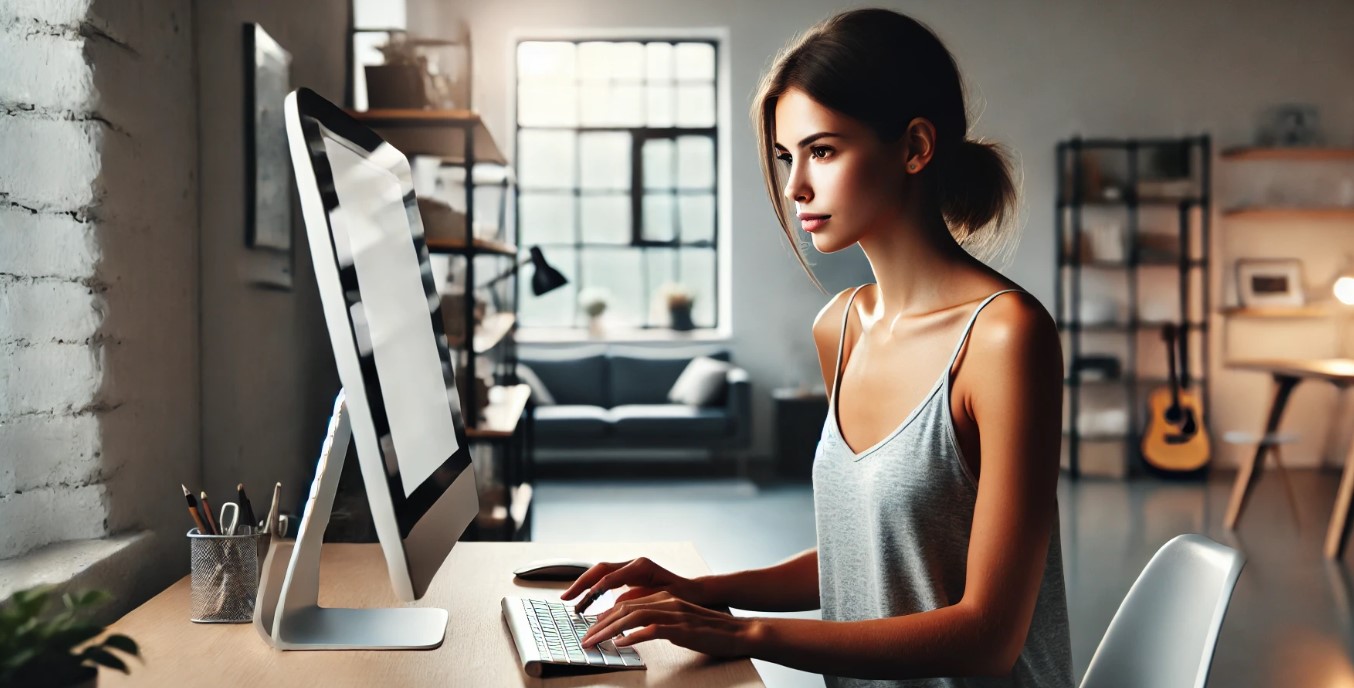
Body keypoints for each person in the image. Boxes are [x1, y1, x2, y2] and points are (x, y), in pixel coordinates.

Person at [562, 8, 1072, 686]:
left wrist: (745, 631)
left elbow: (987, 638)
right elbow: (861, 557)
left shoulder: (1006, 337)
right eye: (785, 156)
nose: (795, 186)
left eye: (823, 151)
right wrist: (703, 589)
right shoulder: (841, 326)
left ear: (915, 147)